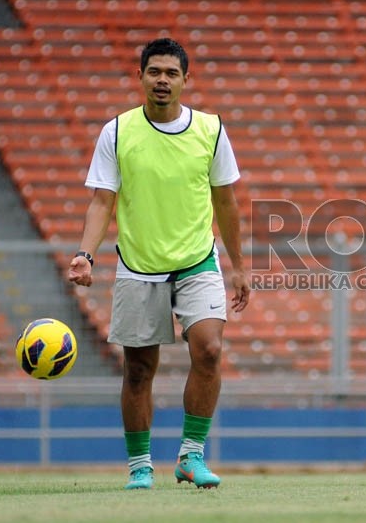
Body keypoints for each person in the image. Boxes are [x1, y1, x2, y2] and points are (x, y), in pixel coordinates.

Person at [68, 37, 249, 490]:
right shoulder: (117, 131)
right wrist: (85, 254)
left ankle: (191, 456)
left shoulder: (211, 130)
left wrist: (240, 265)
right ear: (140, 77)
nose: (162, 80)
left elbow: (226, 202)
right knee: (138, 370)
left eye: (172, 73)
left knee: (208, 349)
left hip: (196, 260)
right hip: (139, 264)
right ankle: (140, 467)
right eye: (155, 72)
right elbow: (102, 200)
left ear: (187, 80)